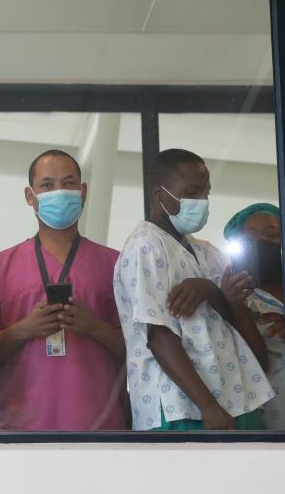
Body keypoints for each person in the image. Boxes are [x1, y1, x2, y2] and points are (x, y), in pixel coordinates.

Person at [114, 149, 273, 431]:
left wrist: (212, 290)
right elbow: (159, 334)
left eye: (205, 192)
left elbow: (244, 334)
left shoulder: (206, 252)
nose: (201, 201)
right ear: (159, 195)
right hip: (183, 408)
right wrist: (208, 407)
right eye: (191, 192)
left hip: (235, 400)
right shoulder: (146, 244)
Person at [0, 149, 127, 431]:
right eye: (47, 185)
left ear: (83, 192)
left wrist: (94, 327)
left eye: (69, 183)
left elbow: (145, 351)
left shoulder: (116, 265)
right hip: (25, 434)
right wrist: (23, 329)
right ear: (29, 195)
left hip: (105, 433)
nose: (59, 191)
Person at [223, 203, 285, 431]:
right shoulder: (240, 299)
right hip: (267, 409)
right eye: (250, 237)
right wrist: (236, 306)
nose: (261, 241)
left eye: (272, 235)